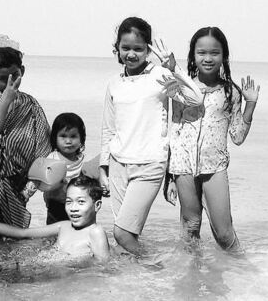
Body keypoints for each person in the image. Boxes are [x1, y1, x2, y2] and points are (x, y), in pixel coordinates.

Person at [100, 16, 203, 255]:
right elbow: (108, 128)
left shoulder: (159, 74)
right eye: (126, 48)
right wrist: (103, 167)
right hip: (118, 164)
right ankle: (135, 287)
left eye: (138, 48)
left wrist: (174, 69)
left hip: (150, 164)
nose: (132, 54)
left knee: (121, 234)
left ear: (148, 49)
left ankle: (156, 267)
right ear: (117, 48)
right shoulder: (113, 83)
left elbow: (195, 100)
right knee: (125, 237)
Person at [163, 26, 259, 252]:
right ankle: (191, 279)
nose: (207, 58)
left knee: (224, 234)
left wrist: (250, 104)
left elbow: (237, 136)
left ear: (224, 56)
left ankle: (240, 273)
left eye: (214, 53)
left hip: (214, 167)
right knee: (190, 226)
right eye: (201, 53)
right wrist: (169, 176)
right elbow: (174, 131)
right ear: (193, 56)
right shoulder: (181, 88)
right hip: (183, 166)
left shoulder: (230, 92)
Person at [0, 47, 52, 244]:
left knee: (13, 239)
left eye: (15, 76)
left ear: (23, 72)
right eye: (3, 79)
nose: (10, 83)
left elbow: (45, 149)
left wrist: (28, 189)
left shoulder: (30, 104)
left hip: (20, 181)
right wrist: (6, 99)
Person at [43, 112, 88, 224]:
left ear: (81, 139)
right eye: (63, 136)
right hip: (56, 205)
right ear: (55, 138)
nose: (68, 141)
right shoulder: (52, 159)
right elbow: (41, 182)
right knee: (53, 236)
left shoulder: (82, 161)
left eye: (73, 136)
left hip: (78, 206)